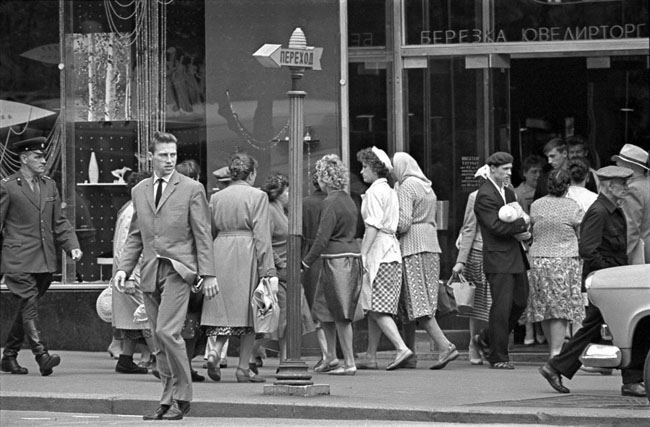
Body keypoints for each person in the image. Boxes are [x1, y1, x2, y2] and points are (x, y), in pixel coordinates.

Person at [113, 131, 217, 421]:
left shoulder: (192, 189)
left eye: (173, 154)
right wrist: (123, 268)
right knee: (156, 340)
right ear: (152, 156)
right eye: (164, 155)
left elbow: (203, 235)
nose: (170, 160)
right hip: (148, 271)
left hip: (178, 271)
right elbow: (136, 234)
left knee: (166, 332)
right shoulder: (140, 190)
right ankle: (166, 396)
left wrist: (208, 274)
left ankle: (182, 396)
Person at [539, 165, 647, 398]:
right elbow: (587, 249)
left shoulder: (611, 210)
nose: (626, 188)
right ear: (609, 186)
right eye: (622, 184)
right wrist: (609, 275)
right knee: (625, 328)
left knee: (601, 329)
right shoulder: (599, 212)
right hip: (606, 283)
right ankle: (631, 378)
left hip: (612, 283)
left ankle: (557, 367)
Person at [0, 137, 82, 376]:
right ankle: (41, 355)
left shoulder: (49, 185)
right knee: (29, 305)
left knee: (27, 308)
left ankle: (9, 356)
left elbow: (59, 222)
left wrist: (72, 245)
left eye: (43, 156)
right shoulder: (7, 186)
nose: (43, 160)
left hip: (44, 260)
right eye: (37, 156)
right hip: (17, 259)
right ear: (24, 159)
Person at [201, 152, 277, 384]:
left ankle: (215, 352)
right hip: (247, 252)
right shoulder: (258, 196)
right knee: (250, 314)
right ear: (252, 173)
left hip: (220, 250)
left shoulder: (217, 198)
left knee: (224, 313)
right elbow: (262, 235)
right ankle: (243, 368)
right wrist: (269, 272)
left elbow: (208, 231)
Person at [392, 152, 459, 370]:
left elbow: (403, 223)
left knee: (416, 299)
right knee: (420, 300)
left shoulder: (406, 187)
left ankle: (445, 346)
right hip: (432, 245)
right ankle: (409, 352)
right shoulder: (426, 185)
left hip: (412, 247)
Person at [302, 154, 363, 376]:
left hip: (335, 261)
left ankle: (348, 362)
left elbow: (321, 238)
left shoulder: (330, 202)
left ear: (325, 179)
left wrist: (305, 262)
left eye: (319, 175)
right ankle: (331, 357)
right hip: (350, 256)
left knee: (338, 313)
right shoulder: (348, 200)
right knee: (326, 311)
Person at [354, 148, 413, 371]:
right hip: (392, 252)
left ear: (375, 169)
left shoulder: (374, 192)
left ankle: (400, 348)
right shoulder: (389, 191)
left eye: (365, 167)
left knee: (377, 308)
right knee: (374, 307)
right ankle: (370, 355)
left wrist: (363, 254)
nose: (361, 172)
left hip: (380, 253)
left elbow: (372, 226)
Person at [472, 151, 531, 370]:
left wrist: (524, 232)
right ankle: (498, 356)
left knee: (520, 302)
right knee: (502, 307)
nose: (508, 173)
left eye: (510, 168)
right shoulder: (485, 195)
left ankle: (487, 337)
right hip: (498, 258)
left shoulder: (508, 192)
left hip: (515, 255)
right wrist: (522, 225)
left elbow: (513, 219)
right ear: (492, 169)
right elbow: (495, 227)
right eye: (504, 169)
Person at [524, 169, 584, 358]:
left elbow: (531, 231)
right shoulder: (573, 207)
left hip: (539, 260)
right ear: (567, 186)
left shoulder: (536, 205)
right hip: (564, 261)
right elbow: (581, 235)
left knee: (543, 307)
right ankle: (556, 352)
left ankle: (553, 348)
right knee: (560, 309)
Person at [261, 173, 314, 359]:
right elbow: (265, 241)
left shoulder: (281, 211)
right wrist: (282, 265)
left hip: (288, 271)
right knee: (283, 316)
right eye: (288, 191)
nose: (290, 195)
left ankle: (283, 357)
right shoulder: (269, 211)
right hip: (280, 272)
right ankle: (279, 358)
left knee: (289, 316)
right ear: (278, 193)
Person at [111, 170, 155, 375]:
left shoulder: (129, 209)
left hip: (132, 272)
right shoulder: (132, 212)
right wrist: (127, 276)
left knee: (133, 318)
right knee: (147, 316)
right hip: (134, 273)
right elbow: (124, 246)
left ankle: (126, 359)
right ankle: (160, 358)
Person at [452, 165, 493, 365]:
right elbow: (469, 228)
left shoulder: (509, 195)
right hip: (478, 252)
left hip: (500, 254)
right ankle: (473, 344)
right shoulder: (474, 197)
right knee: (478, 305)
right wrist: (462, 260)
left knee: (497, 302)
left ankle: (489, 342)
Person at [174, 159, 208, 382]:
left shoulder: (170, 199)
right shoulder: (196, 197)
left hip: (172, 265)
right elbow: (203, 233)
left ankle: (174, 364)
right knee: (192, 318)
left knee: (177, 319)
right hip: (191, 266)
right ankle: (182, 366)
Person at [513, 155, 544, 347]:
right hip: (527, 243)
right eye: (533, 172)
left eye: (540, 172)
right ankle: (529, 330)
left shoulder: (542, 191)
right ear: (524, 173)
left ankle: (540, 329)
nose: (537, 175)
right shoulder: (518, 193)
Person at [302, 172, 330, 369]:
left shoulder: (305, 203)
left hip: (310, 256)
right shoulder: (334, 201)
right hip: (333, 255)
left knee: (316, 306)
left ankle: (326, 354)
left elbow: (300, 231)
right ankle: (334, 353)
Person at [612, 144, 650, 265]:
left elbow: (631, 230)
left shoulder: (633, 190)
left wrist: (621, 259)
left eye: (619, 163)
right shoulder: (646, 184)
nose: (616, 166)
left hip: (641, 257)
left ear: (628, 167)